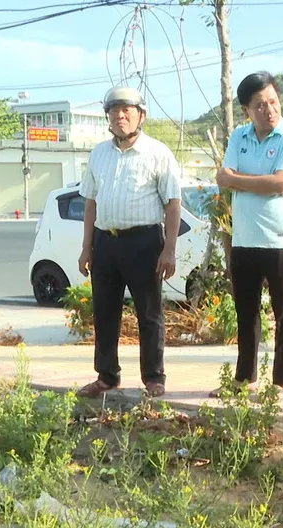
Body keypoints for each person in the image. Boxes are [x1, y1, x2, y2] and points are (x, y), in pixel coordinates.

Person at [76, 86, 182, 399]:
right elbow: (91, 203)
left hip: (144, 243)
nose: (120, 116)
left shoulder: (158, 153)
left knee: (149, 313)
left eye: (127, 110)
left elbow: (173, 204)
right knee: (104, 312)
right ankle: (106, 376)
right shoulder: (99, 154)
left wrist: (169, 249)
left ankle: (153, 378)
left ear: (140, 115)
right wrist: (86, 247)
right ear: (107, 116)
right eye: (114, 110)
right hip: (106, 243)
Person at [211, 72, 283, 401]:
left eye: (273, 102)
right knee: (246, 313)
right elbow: (223, 178)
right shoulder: (239, 136)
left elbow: (282, 183)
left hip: (282, 241)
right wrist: (260, 181)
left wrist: (241, 179)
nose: (269, 109)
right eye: (260, 105)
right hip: (244, 241)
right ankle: (244, 379)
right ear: (246, 110)